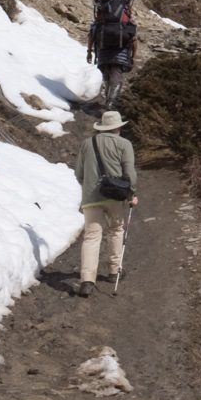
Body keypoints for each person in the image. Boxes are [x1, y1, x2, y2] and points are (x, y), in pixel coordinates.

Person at [76, 109, 137, 298]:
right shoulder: (124, 144)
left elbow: (79, 173)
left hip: (91, 198)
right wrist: (131, 194)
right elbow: (130, 173)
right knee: (116, 230)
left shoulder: (87, 144)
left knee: (92, 236)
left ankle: (87, 280)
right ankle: (113, 270)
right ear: (118, 127)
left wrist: (89, 187)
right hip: (115, 197)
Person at [86, 0, 139, 107]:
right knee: (117, 74)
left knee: (106, 73)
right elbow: (133, 38)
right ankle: (111, 102)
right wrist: (133, 57)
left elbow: (92, 33)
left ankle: (108, 99)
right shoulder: (124, 7)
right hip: (121, 48)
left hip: (103, 46)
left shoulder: (103, 6)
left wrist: (89, 52)